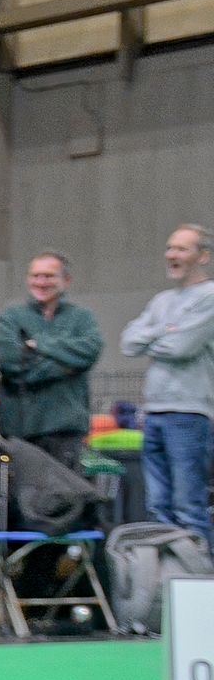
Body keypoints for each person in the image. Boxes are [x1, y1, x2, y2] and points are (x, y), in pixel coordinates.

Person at [120, 224, 214, 544]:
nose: (171, 255)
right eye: (170, 248)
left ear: (203, 256)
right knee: (157, 507)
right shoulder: (161, 301)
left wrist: (156, 336)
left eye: (181, 249)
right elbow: (128, 343)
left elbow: (181, 348)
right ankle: (166, 583)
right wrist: (167, 329)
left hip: (188, 414)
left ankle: (200, 583)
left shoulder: (210, 297)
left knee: (189, 506)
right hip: (154, 414)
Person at [0, 252, 102, 473]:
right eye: (35, 276)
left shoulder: (82, 318)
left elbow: (90, 352)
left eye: (49, 276)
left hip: (66, 427)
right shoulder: (11, 317)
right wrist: (67, 365)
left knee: (67, 497)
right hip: (20, 428)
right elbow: (11, 363)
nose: (41, 282)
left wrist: (39, 344)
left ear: (66, 280)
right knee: (24, 500)